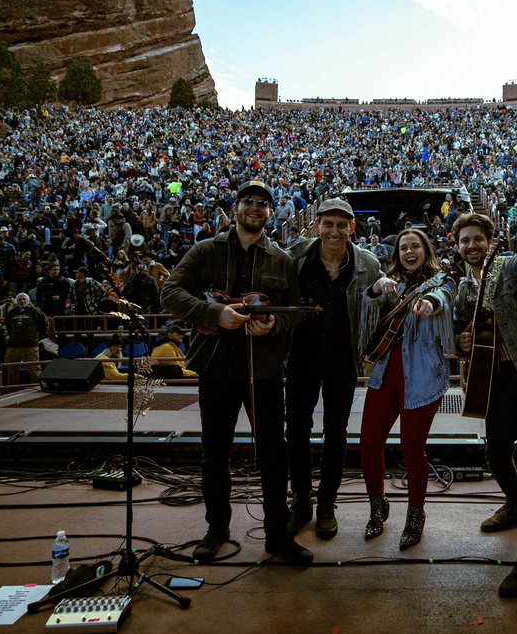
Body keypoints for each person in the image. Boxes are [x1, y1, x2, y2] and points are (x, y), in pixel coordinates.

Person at [160, 180, 311, 565]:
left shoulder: (282, 260)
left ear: (270, 211)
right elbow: (170, 293)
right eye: (249, 201)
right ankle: (216, 529)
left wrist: (273, 326)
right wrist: (215, 315)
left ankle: (277, 534)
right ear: (236, 206)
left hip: (261, 371)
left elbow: (293, 316)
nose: (255, 207)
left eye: (263, 202)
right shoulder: (205, 250)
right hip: (215, 366)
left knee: (274, 455)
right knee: (215, 454)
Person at [452, 211, 517, 597]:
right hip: (496, 377)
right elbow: (459, 333)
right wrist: (460, 343)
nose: (471, 246)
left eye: (477, 238)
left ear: (490, 239)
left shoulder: (511, 265)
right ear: (458, 246)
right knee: (496, 453)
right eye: (465, 241)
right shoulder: (465, 287)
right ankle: (515, 505)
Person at [284, 198, 382, 541]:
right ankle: (300, 501)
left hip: (342, 359)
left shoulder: (368, 263)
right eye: (328, 224)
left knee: (335, 431)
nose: (334, 231)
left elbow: (380, 301)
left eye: (342, 225)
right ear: (317, 226)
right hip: (301, 355)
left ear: (352, 228)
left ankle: (326, 503)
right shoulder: (296, 256)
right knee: (296, 429)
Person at [358, 227, 455, 551]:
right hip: (385, 374)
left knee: (413, 449)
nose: (409, 252)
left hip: (423, 376)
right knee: (369, 443)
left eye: (415, 246)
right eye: (403, 248)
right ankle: (377, 506)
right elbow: (366, 314)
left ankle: (416, 516)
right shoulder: (392, 285)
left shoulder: (442, 282)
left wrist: (430, 302)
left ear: (426, 251)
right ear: (397, 254)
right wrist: (374, 289)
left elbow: (444, 299)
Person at [3, 293, 48, 385]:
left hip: (30, 346)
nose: (22, 301)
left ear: (28, 300)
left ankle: (37, 390)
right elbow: (8, 325)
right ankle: (10, 391)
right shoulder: (12, 311)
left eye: (24, 299)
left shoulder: (35, 311)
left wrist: (37, 337)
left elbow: (44, 324)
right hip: (13, 346)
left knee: (34, 370)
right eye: (19, 299)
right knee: (11, 370)